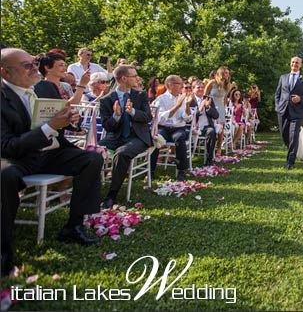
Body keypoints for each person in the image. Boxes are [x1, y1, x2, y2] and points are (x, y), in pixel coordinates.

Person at [1, 48, 103, 276]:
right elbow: (7, 146)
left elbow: (48, 123)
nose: (34, 68)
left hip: (47, 153)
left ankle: (74, 225)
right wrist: (51, 127)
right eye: (27, 65)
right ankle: (3, 249)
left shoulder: (34, 91)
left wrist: (69, 121)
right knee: (5, 175)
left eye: (34, 64)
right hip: (18, 157)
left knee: (92, 159)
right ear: (5, 72)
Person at [98, 65, 153, 209]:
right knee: (92, 150)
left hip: (137, 137)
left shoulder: (140, 95)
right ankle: (88, 190)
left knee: (121, 153)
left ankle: (112, 194)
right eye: (134, 76)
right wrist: (116, 116)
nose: (137, 78)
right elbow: (107, 127)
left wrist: (133, 111)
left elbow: (147, 117)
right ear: (124, 78)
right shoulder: (106, 100)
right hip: (115, 136)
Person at [150, 75, 194, 181]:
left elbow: (187, 118)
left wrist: (187, 106)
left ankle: (181, 170)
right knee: (156, 138)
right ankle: (150, 170)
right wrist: (177, 106)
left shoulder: (183, 98)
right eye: (180, 84)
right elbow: (160, 118)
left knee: (179, 138)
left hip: (178, 128)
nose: (182, 86)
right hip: (163, 127)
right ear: (171, 85)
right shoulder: (161, 99)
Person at [275, 56, 303, 169]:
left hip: (296, 112)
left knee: (293, 135)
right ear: (290, 64)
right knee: (284, 135)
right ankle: (292, 150)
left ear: (300, 65)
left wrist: (300, 99)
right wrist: (277, 107)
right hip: (282, 110)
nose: (294, 64)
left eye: (297, 63)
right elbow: (277, 94)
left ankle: (290, 161)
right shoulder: (283, 77)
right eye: (293, 62)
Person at [189, 81, 220, 166]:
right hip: (193, 127)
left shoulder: (208, 99)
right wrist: (201, 107)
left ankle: (209, 159)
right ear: (193, 89)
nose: (201, 89)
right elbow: (189, 117)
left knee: (212, 132)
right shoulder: (190, 100)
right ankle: (188, 157)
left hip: (206, 126)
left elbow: (216, 116)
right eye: (198, 87)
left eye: (202, 87)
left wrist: (208, 107)